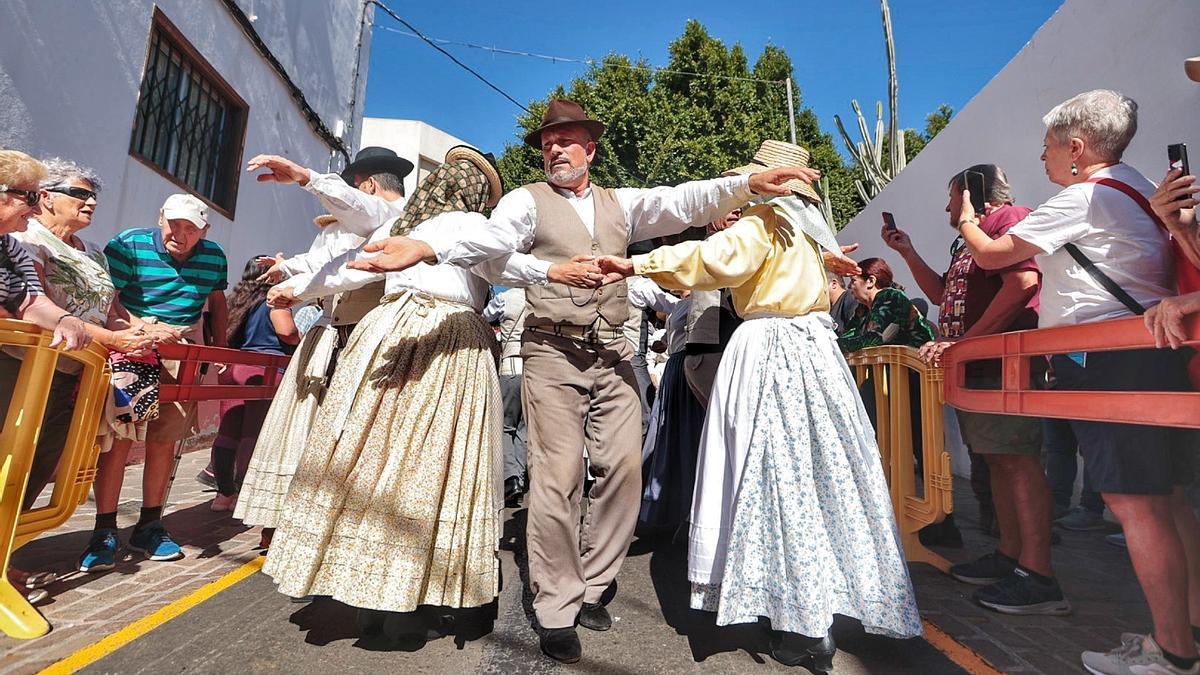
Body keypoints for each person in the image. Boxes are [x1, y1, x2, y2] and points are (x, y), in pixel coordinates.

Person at [338, 111, 816, 663]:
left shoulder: (623, 203)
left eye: (566, 142)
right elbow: (493, 250)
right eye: (547, 144)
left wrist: (745, 184)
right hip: (551, 351)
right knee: (557, 474)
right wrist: (441, 251)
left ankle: (592, 582)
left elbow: (682, 201)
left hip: (613, 352)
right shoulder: (525, 200)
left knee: (624, 469)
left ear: (591, 149)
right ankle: (557, 606)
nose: (555, 151)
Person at [594, 140, 920, 670]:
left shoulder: (768, 222)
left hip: (770, 349)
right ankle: (822, 603)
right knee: (817, 480)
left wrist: (633, 264)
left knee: (770, 479)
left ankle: (801, 622)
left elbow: (709, 259)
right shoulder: (810, 231)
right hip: (817, 354)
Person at [958, 89, 1200, 674]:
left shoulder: (1084, 196)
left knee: (1134, 505)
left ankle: (1172, 653)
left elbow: (993, 256)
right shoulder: (1142, 186)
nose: (1042, 161)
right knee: (1166, 500)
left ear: (1075, 147)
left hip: (1110, 360)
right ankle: (1186, 632)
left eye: (1046, 149)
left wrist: (967, 213)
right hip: (1155, 352)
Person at [261, 146, 519, 640]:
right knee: (428, 468)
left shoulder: (430, 227)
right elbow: (354, 266)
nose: (452, 184)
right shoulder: (436, 225)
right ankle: (403, 593)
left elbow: (350, 268)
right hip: (442, 344)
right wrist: (299, 287)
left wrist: (298, 289)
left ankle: (378, 595)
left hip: (400, 338)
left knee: (378, 463)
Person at [883, 165, 1063, 607]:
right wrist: (907, 252)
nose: (947, 206)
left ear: (975, 195)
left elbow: (1023, 282)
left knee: (1017, 459)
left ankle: (1039, 575)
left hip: (1004, 363)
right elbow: (945, 294)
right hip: (979, 365)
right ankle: (1009, 556)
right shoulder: (974, 238)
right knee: (997, 459)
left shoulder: (1008, 220)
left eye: (953, 196)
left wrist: (966, 342)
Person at [233, 147, 410, 547]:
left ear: (365, 185)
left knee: (351, 436)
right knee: (305, 428)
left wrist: (304, 175)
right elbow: (327, 258)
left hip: (368, 341)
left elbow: (347, 263)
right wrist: (289, 268)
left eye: (352, 188)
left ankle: (333, 526)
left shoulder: (397, 217)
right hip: (330, 337)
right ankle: (291, 520)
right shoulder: (355, 226)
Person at [10, 158, 174, 512]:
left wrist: (139, 331)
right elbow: (34, 305)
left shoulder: (94, 252)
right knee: (12, 454)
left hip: (78, 373)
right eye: (80, 193)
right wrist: (116, 339)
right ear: (47, 197)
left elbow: (111, 312)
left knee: (44, 459)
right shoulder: (26, 238)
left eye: (94, 196)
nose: (92, 202)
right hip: (30, 367)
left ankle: (8, 549)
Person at [78, 193, 229, 572]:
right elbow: (108, 298)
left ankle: (150, 525)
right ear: (160, 218)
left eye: (190, 228)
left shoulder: (214, 257)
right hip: (132, 346)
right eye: (173, 224)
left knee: (164, 441)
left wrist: (220, 348)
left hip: (182, 351)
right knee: (119, 442)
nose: (179, 233)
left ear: (204, 231)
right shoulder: (129, 244)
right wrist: (142, 329)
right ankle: (104, 530)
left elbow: (217, 300)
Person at [0, 149, 91, 603]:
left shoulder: (11, 247)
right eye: (28, 197)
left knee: (21, 463)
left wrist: (65, 321)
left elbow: (30, 301)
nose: (35, 208)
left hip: (23, 369)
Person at [208, 257, 299, 512]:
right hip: (266, 370)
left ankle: (223, 494)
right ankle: (244, 493)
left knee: (228, 431)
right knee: (252, 433)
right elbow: (287, 333)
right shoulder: (274, 299)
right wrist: (304, 338)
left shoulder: (237, 299)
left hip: (236, 368)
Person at [683, 207, 744, 406]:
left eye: (741, 207)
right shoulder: (719, 244)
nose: (736, 210)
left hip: (702, 351)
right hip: (713, 350)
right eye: (729, 205)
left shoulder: (712, 245)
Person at [483, 286, 529, 506]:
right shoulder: (542, 295)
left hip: (510, 367)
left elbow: (486, 316)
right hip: (535, 370)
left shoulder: (505, 298)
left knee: (505, 427)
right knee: (524, 428)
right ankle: (519, 477)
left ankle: (511, 479)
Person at [836, 258, 937, 353]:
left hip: (914, 365)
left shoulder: (891, 297)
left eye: (853, 280)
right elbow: (850, 332)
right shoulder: (863, 308)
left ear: (871, 281)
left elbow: (875, 339)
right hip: (892, 366)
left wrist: (835, 346)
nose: (849, 286)